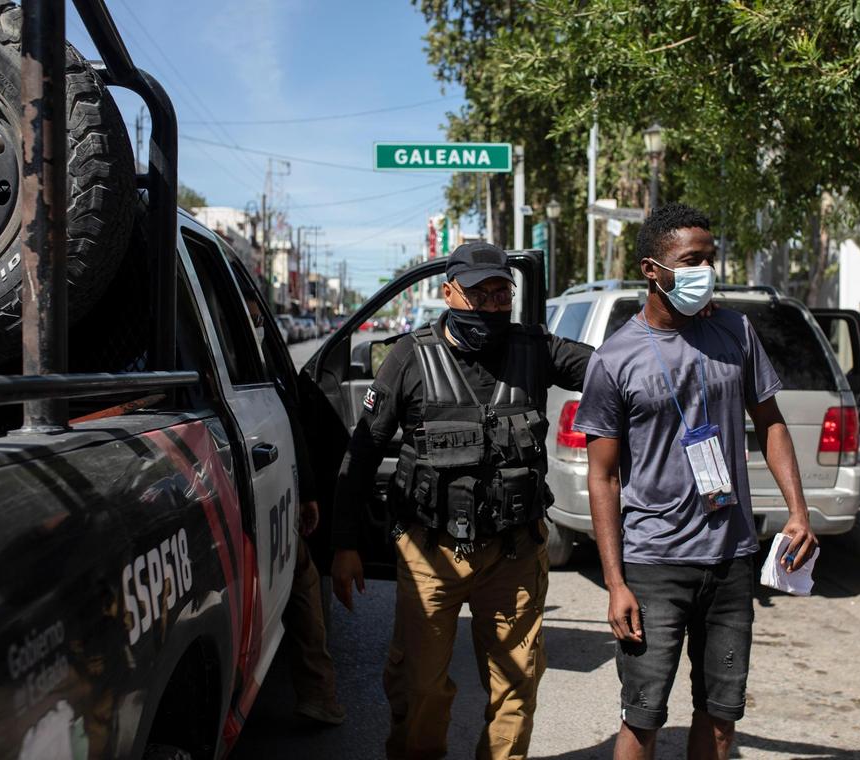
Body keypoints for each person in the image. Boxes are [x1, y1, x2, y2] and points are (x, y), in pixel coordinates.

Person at [573, 203, 818, 760]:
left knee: (721, 716)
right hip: (654, 563)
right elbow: (603, 476)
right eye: (691, 260)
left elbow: (771, 422)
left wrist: (798, 511)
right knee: (642, 719)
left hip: (731, 558)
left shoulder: (735, 331)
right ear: (651, 270)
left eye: (711, 258)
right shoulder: (614, 359)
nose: (706, 270)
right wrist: (615, 582)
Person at [330, 242, 591, 760]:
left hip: (515, 553)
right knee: (421, 689)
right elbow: (362, 453)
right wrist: (344, 544)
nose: (492, 305)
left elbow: (611, 369)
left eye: (501, 294)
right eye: (479, 294)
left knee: (517, 688)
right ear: (449, 292)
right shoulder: (409, 357)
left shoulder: (534, 349)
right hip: (431, 553)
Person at [245, 297, 345, 725]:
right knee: (303, 580)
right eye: (253, 311)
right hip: (256, 497)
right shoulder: (248, 361)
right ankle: (318, 696)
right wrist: (307, 492)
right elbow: (291, 423)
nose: (255, 317)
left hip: (241, 499)